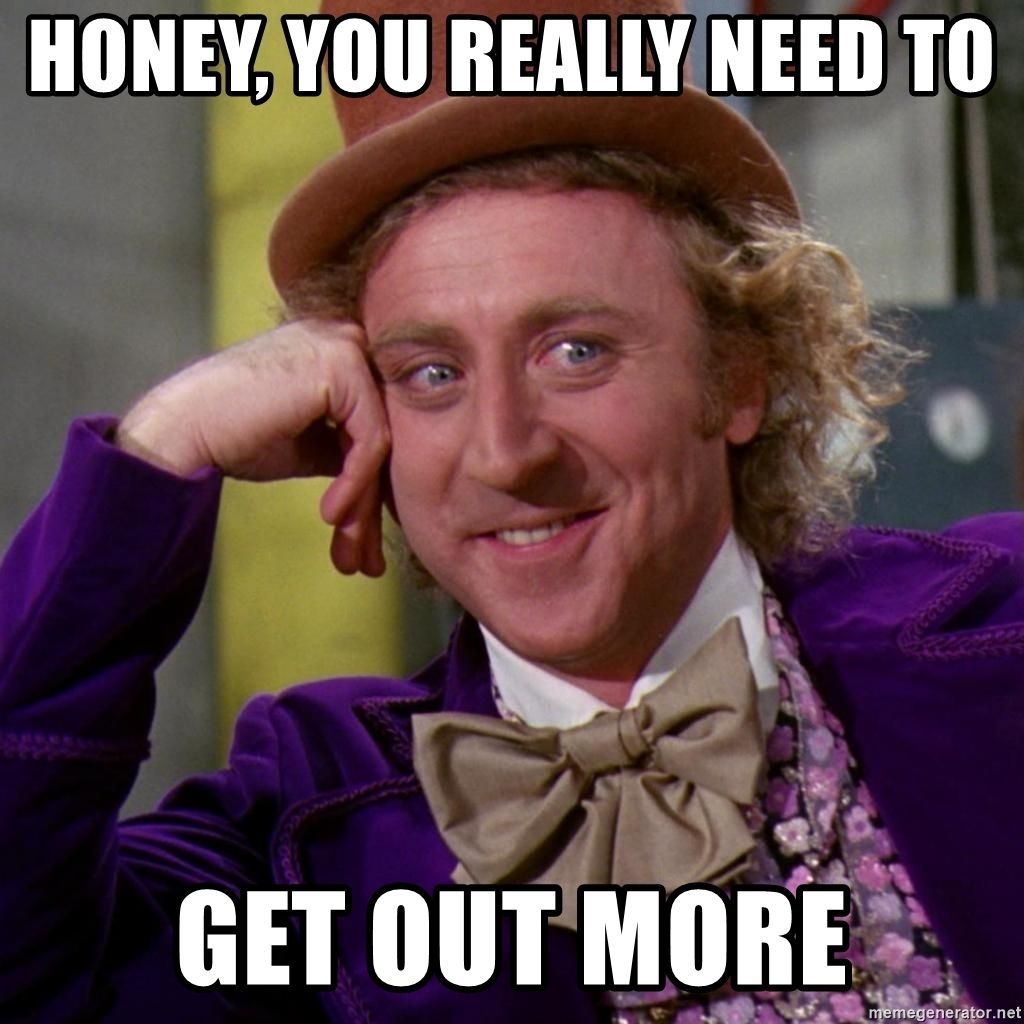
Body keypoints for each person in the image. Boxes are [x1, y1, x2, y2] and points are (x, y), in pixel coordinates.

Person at [2, 0, 1023, 1020]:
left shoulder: (1001, 637)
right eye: (432, 373)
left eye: (575, 352)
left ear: (739, 374)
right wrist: (158, 452)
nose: (505, 451)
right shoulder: (301, 824)